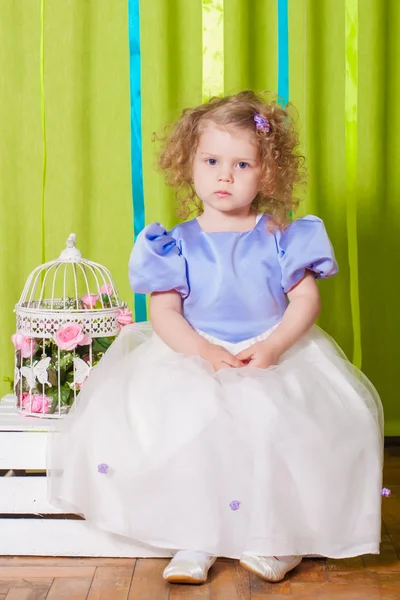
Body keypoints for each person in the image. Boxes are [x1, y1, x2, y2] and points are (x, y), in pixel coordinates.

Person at [48, 91, 383, 585]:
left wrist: (272, 347)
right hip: (195, 350)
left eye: (242, 163)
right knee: (188, 429)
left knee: (279, 432)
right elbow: (163, 311)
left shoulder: (282, 235)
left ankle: (279, 538)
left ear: (266, 173)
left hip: (270, 350)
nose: (225, 175)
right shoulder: (174, 242)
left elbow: (305, 301)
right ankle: (195, 536)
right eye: (212, 160)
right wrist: (202, 351)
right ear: (190, 164)